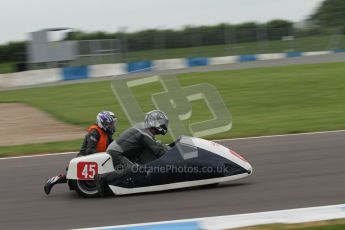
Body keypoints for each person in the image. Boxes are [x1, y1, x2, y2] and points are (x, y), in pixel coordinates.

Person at [95, 109, 170, 197]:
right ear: (155, 123)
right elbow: (157, 151)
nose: (164, 124)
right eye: (162, 122)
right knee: (135, 173)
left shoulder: (144, 129)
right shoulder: (145, 133)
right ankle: (102, 178)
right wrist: (171, 157)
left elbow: (155, 146)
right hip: (116, 153)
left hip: (121, 151)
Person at [44, 111, 117, 195]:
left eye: (113, 124)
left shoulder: (107, 133)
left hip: (98, 157)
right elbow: (90, 150)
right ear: (103, 123)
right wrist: (105, 156)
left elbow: (113, 144)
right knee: (71, 175)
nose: (112, 126)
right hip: (84, 156)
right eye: (110, 124)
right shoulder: (94, 132)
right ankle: (52, 180)